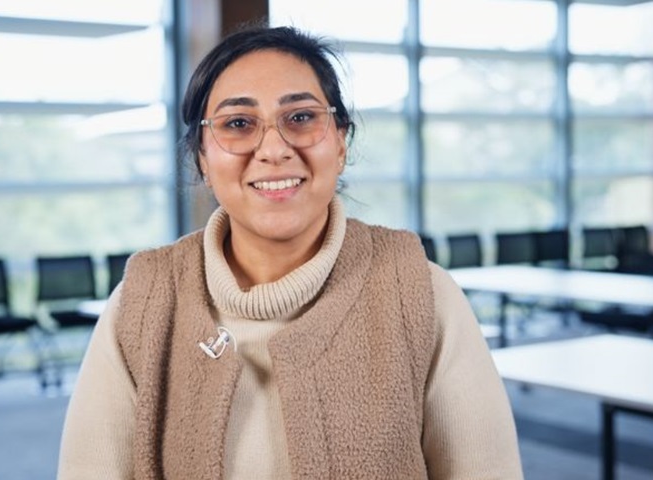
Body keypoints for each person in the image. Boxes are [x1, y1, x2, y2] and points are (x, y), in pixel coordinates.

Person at [57, 25, 523, 480]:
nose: (274, 149)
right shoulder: (142, 302)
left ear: (341, 140)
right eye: (238, 124)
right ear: (202, 157)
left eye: (300, 117)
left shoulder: (421, 293)